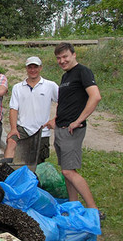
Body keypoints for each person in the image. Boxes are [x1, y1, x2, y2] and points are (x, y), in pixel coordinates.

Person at [45, 43, 103, 218]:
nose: (62, 61)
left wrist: (79, 120)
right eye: (58, 58)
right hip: (61, 128)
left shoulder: (83, 72)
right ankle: (73, 207)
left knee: (69, 171)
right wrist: (55, 119)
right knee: (67, 171)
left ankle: (93, 210)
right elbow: (68, 102)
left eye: (65, 57)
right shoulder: (65, 77)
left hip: (72, 130)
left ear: (74, 55)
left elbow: (95, 96)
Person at [1, 56, 58, 164]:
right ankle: (7, 172)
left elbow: (63, 101)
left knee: (37, 163)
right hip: (23, 128)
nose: (33, 70)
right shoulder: (18, 87)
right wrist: (13, 128)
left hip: (42, 131)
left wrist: (56, 119)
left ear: (40, 68)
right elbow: (13, 109)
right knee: (11, 143)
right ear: (26, 69)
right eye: (30, 67)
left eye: (35, 67)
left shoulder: (50, 86)